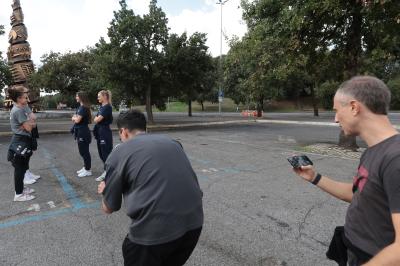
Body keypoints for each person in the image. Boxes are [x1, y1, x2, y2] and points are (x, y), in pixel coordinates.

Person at [293, 76, 400, 265]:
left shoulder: (395, 158)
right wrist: (314, 177)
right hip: (353, 249)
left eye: (336, 110)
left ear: (353, 107)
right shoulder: (373, 151)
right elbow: (358, 194)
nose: (335, 119)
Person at [98, 110, 203, 266]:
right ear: (144, 128)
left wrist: (104, 190)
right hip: (194, 226)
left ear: (123, 132)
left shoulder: (120, 152)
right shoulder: (172, 143)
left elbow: (109, 207)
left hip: (152, 237)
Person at [7, 85, 36, 201]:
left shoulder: (22, 107)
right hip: (20, 140)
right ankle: (18, 194)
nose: (27, 98)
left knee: (23, 167)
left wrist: (30, 123)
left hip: (24, 139)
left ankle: (21, 189)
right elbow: (30, 127)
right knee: (19, 168)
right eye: (25, 96)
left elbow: (32, 122)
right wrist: (30, 123)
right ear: (19, 98)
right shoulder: (18, 110)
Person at [93, 90, 113, 182]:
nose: (98, 98)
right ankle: (107, 171)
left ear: (105, 96)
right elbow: (95, 119)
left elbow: (97, 119)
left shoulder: (107, 107)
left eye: (99, 96)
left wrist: (97, 119)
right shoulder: (102, 107)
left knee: (106, 153)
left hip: (105, 132)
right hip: (100, 131)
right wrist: (97, 118)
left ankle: (108, 172)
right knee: (101, 153)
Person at [72, 92, 92, 178]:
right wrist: (75, 117)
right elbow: (76, 118)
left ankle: (88, 170)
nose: (76, 97)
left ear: (81, 97)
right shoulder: (81, 107)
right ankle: (85, 167)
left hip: (83, 132)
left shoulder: (83, 108)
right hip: (80, 131)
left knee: (84, 151)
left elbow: (77, 120)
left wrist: (74, 118)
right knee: (82, 151)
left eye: (77, 96)